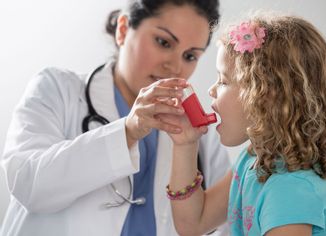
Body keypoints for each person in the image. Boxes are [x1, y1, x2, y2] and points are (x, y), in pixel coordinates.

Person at [0, 1, 231, 235]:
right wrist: (127, 132)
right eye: (163, 42)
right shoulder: (57, 89)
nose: (174, 66)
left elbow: (227, 222)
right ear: (122, 30)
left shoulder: (199, 135)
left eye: (190, 56)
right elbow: (28, 184)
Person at [165, 12, 326, 235]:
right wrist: (185, 145)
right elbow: (193, 223)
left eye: (224, 80)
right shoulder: (255, 158)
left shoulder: (289, 189)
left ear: (266, 96)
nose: (212, 90)